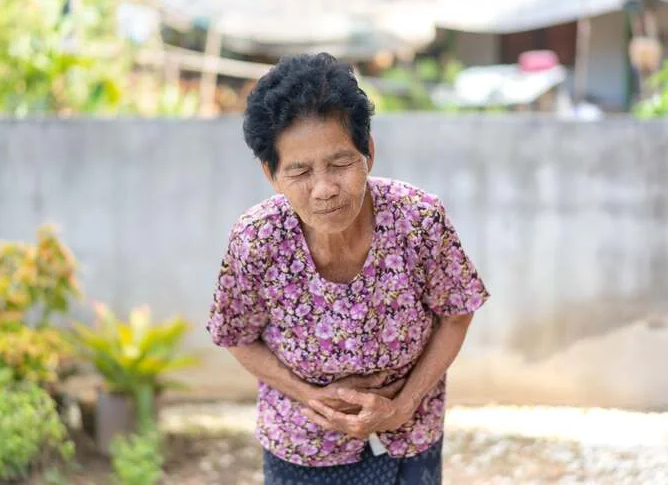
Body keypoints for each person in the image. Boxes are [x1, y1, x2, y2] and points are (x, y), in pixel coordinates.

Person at [207, 52, 489, 484]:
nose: (324, 189)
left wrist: (404, 405)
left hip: (409, 435)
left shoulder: (419, 220)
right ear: (271, 173)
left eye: (340, 164)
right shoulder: (256, 241)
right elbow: (236, 335)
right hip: (303, 444)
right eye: (299, 171)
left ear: (368, 153)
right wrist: (311, 396)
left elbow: (456, 312)